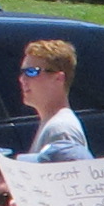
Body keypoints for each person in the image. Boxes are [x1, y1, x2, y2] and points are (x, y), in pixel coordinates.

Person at [19, 36, 92, 164]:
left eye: (31, 72)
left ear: (58, 78)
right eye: (22, 72)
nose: (22, 79)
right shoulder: (51, 123)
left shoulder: (61, 129)